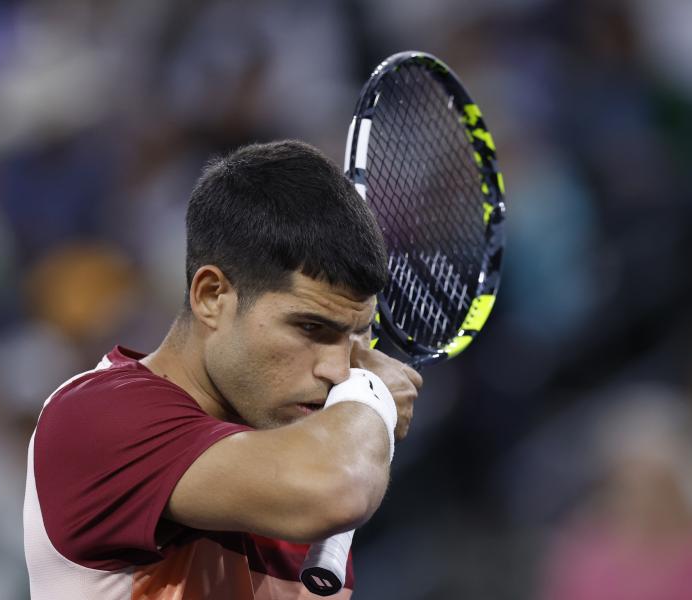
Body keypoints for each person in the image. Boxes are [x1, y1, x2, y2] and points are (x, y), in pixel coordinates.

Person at [22, 140, 422, 599]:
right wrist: (372, 397)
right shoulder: (97, 417)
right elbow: (339, 489)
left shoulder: (307, 459)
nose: (338, 370)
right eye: (311, 327)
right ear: (212, 296)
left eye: (357, 335)